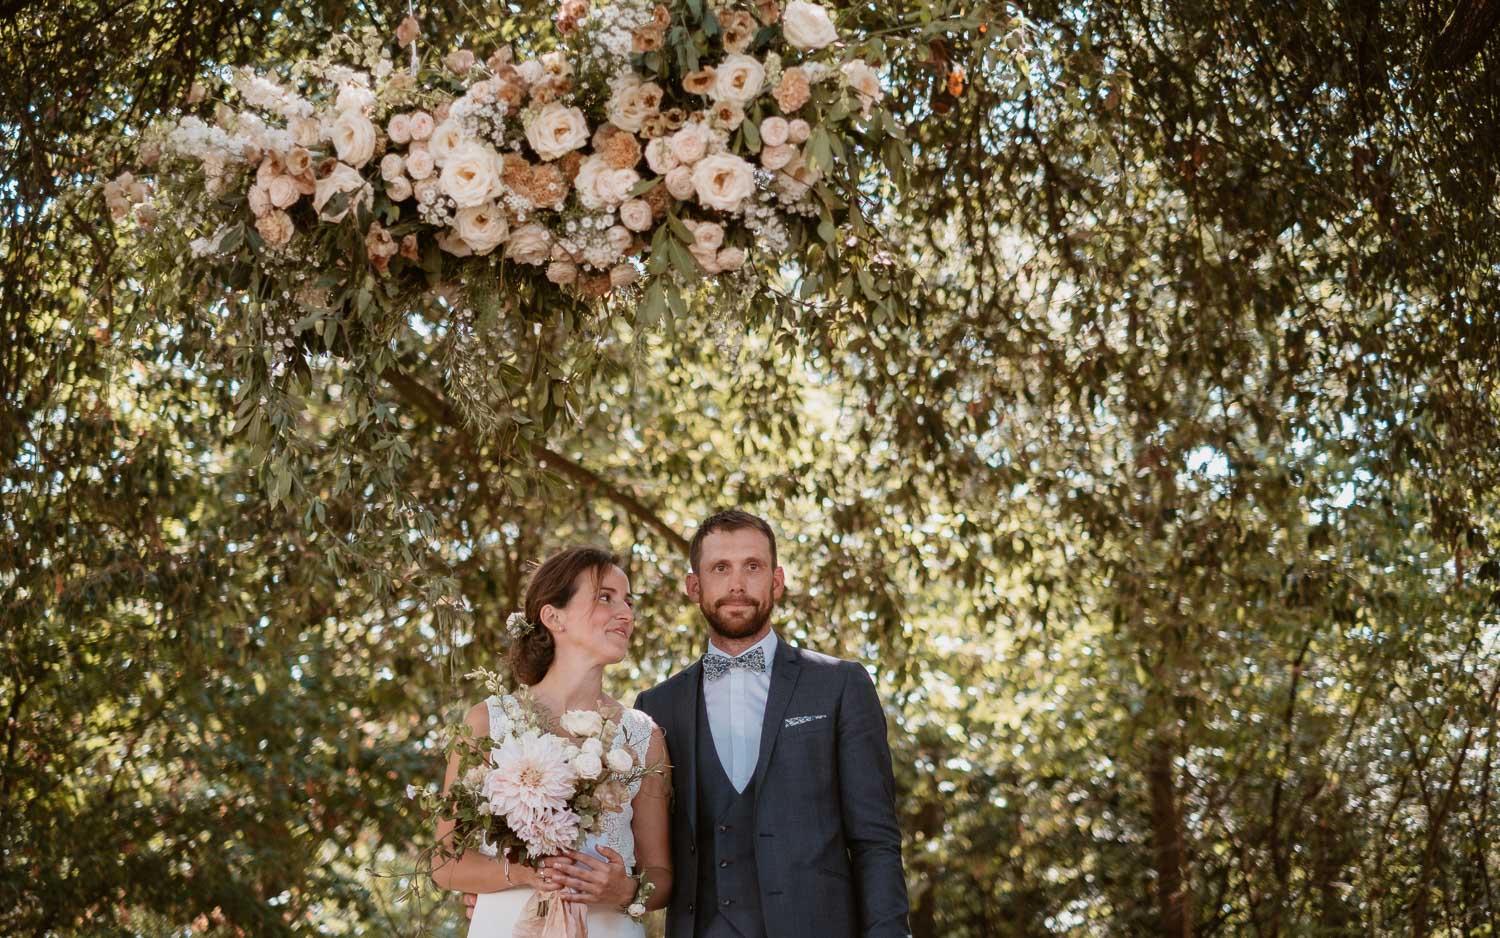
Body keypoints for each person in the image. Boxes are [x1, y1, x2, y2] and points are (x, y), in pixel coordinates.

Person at [634, 510, 911, 938]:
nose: (737, 584)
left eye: (753, 566)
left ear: (776, 581)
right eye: (720, 568)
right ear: (694, 585)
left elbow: (875, 840)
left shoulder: (839, 685)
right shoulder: (655, 707)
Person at [436, 546, 673, 937]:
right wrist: (523, 872)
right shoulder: (488, 723)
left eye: (628, 603)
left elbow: (661, 876)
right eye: (605, 598)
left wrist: (625, 889)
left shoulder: (644, 736)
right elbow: (445, 863)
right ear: (553, 616)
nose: (626, 614)